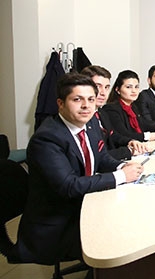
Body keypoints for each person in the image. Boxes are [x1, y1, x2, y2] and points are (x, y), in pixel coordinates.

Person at [13, 73, 143, 266]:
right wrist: (121, 176)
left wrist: (122, 165)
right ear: (60, 103)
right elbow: (69, 186)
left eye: (91, 99)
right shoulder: (46, 139)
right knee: (122, 235)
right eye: (77, 99)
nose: (86, 106)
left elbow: (101, 157)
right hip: (59, 224)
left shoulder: (90, 122)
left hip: (82, 205)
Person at [81, 65, 149, 160]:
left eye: (106, 87)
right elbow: (95, 156)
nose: (103, 92)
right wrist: (128, 151)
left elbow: (113, 135)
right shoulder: (82, 117)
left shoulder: (101, 113)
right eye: (97, 86)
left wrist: (130, 141)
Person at [102, 70, 155, 142]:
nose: (134, 91)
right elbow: (125, 135)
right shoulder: (111, 109)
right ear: (118, 90)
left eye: (136, 87)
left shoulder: (133, 106)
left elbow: (144, 124)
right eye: (128, 87)